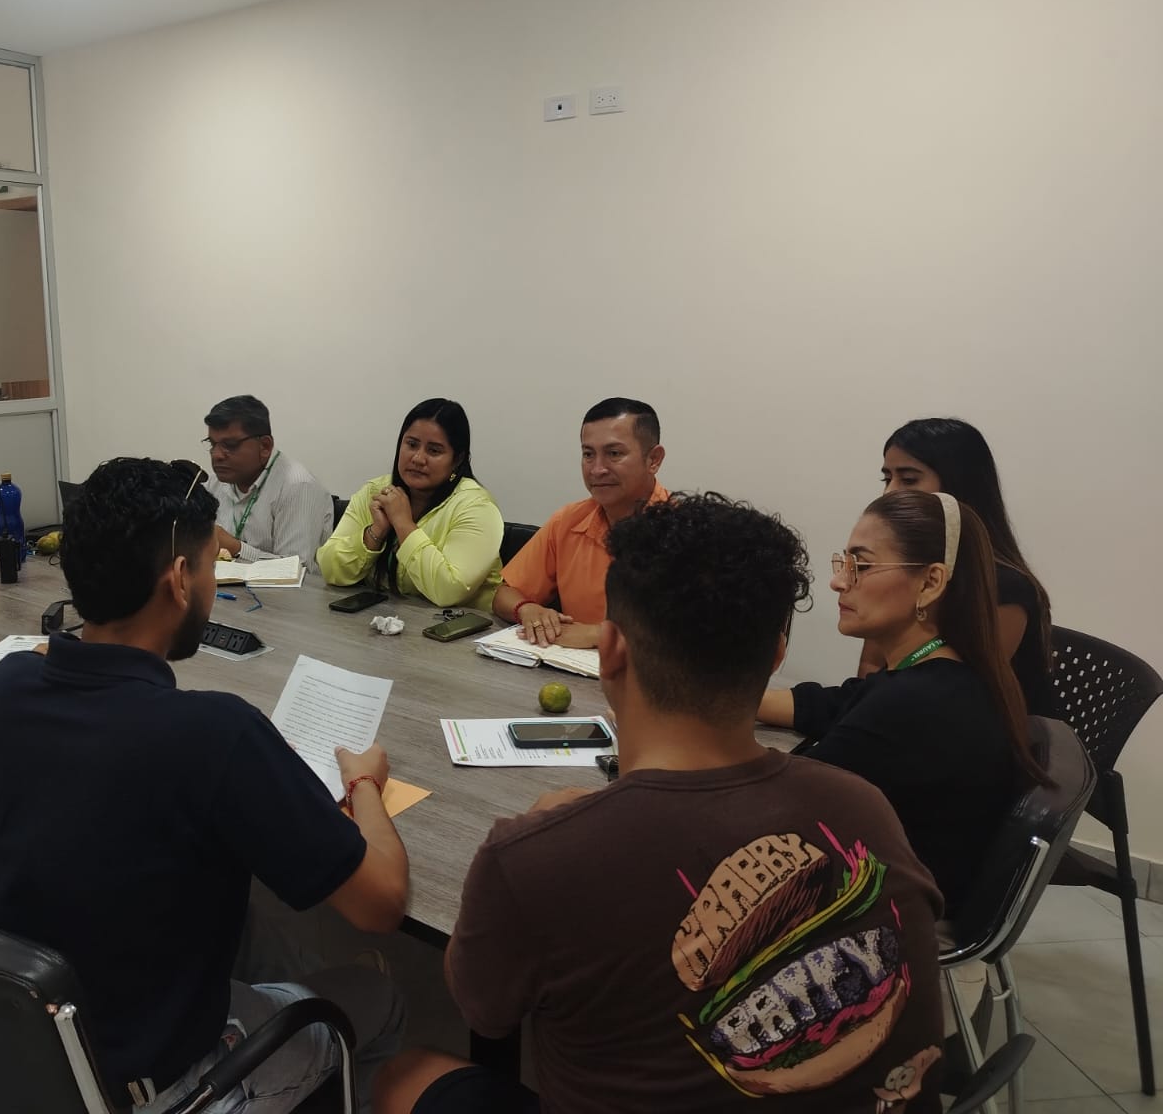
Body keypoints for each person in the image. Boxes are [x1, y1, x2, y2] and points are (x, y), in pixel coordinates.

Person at [375, 494, 946, 1114]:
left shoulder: (531, 857)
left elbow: (481, 1010)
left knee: (403, 1075)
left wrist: (532, 841)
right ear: (777, 654)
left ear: (609, 650)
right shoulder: (865, 805)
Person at [0, 458, 407, 1113]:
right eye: (211, 566)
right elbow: (381, 904)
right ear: (180, 579)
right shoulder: (216, 733)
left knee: (251, 922)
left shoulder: (10, 687)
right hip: (159, 1085)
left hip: (33, 1041)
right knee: (381, 998)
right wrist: (366, 784)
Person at [759, 490, 1048, 915]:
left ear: (930, 583)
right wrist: (715, 697)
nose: (839, 582)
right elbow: (826, 705)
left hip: (889, 915)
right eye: (844, 563)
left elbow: (772, 805)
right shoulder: (942, 674)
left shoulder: (917, 705)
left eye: (862, 565)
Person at [870, 418, 1058, 718]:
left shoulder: (1005, 588)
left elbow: (955, 700)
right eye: (887, 479)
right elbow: (871, 666)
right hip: (907, 718)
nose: (890, 493)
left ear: (959, 486)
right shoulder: (902, 566)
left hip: (985, 736)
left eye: (909, 480)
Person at [492, 397, 668, 648]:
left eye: (614, 454)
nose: (597, 469)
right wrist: (527, 609)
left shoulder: (686, 530)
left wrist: (599, 634)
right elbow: (504, 593)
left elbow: (703, 634)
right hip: (570, 667)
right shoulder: (568, 521)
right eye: (588, 454)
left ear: (654, 459)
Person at [318, 399, 502, 610]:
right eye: (412, 445)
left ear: (457, 460)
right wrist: (375, 532)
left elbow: (449, 589)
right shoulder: (375, 491)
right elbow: (330, 570)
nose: (418, 458)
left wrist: (403, 523)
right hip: (384, 620)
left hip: (458, 626)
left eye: (434, 451)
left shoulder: (476, 506)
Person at [202, 394, 333, 572]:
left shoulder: (298, 486)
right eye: (213, 444)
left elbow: (296, 570)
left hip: (288, 591)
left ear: (264, 446)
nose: (217, 455)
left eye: (230, 445)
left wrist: (237, 549)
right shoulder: (215, 482)